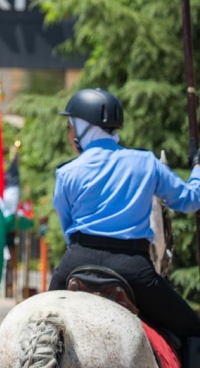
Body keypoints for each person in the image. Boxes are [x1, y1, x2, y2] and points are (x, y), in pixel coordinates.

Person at [50, 87, 200, 341]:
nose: (69, 133)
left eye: (71, 126)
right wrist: (197, 167)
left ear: (84, 127)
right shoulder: (146, 162)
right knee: (193, 330)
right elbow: (190, 200)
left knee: (36, 325)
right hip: (133, 267)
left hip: (77, 261)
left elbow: (67, 228)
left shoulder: (66, 173)